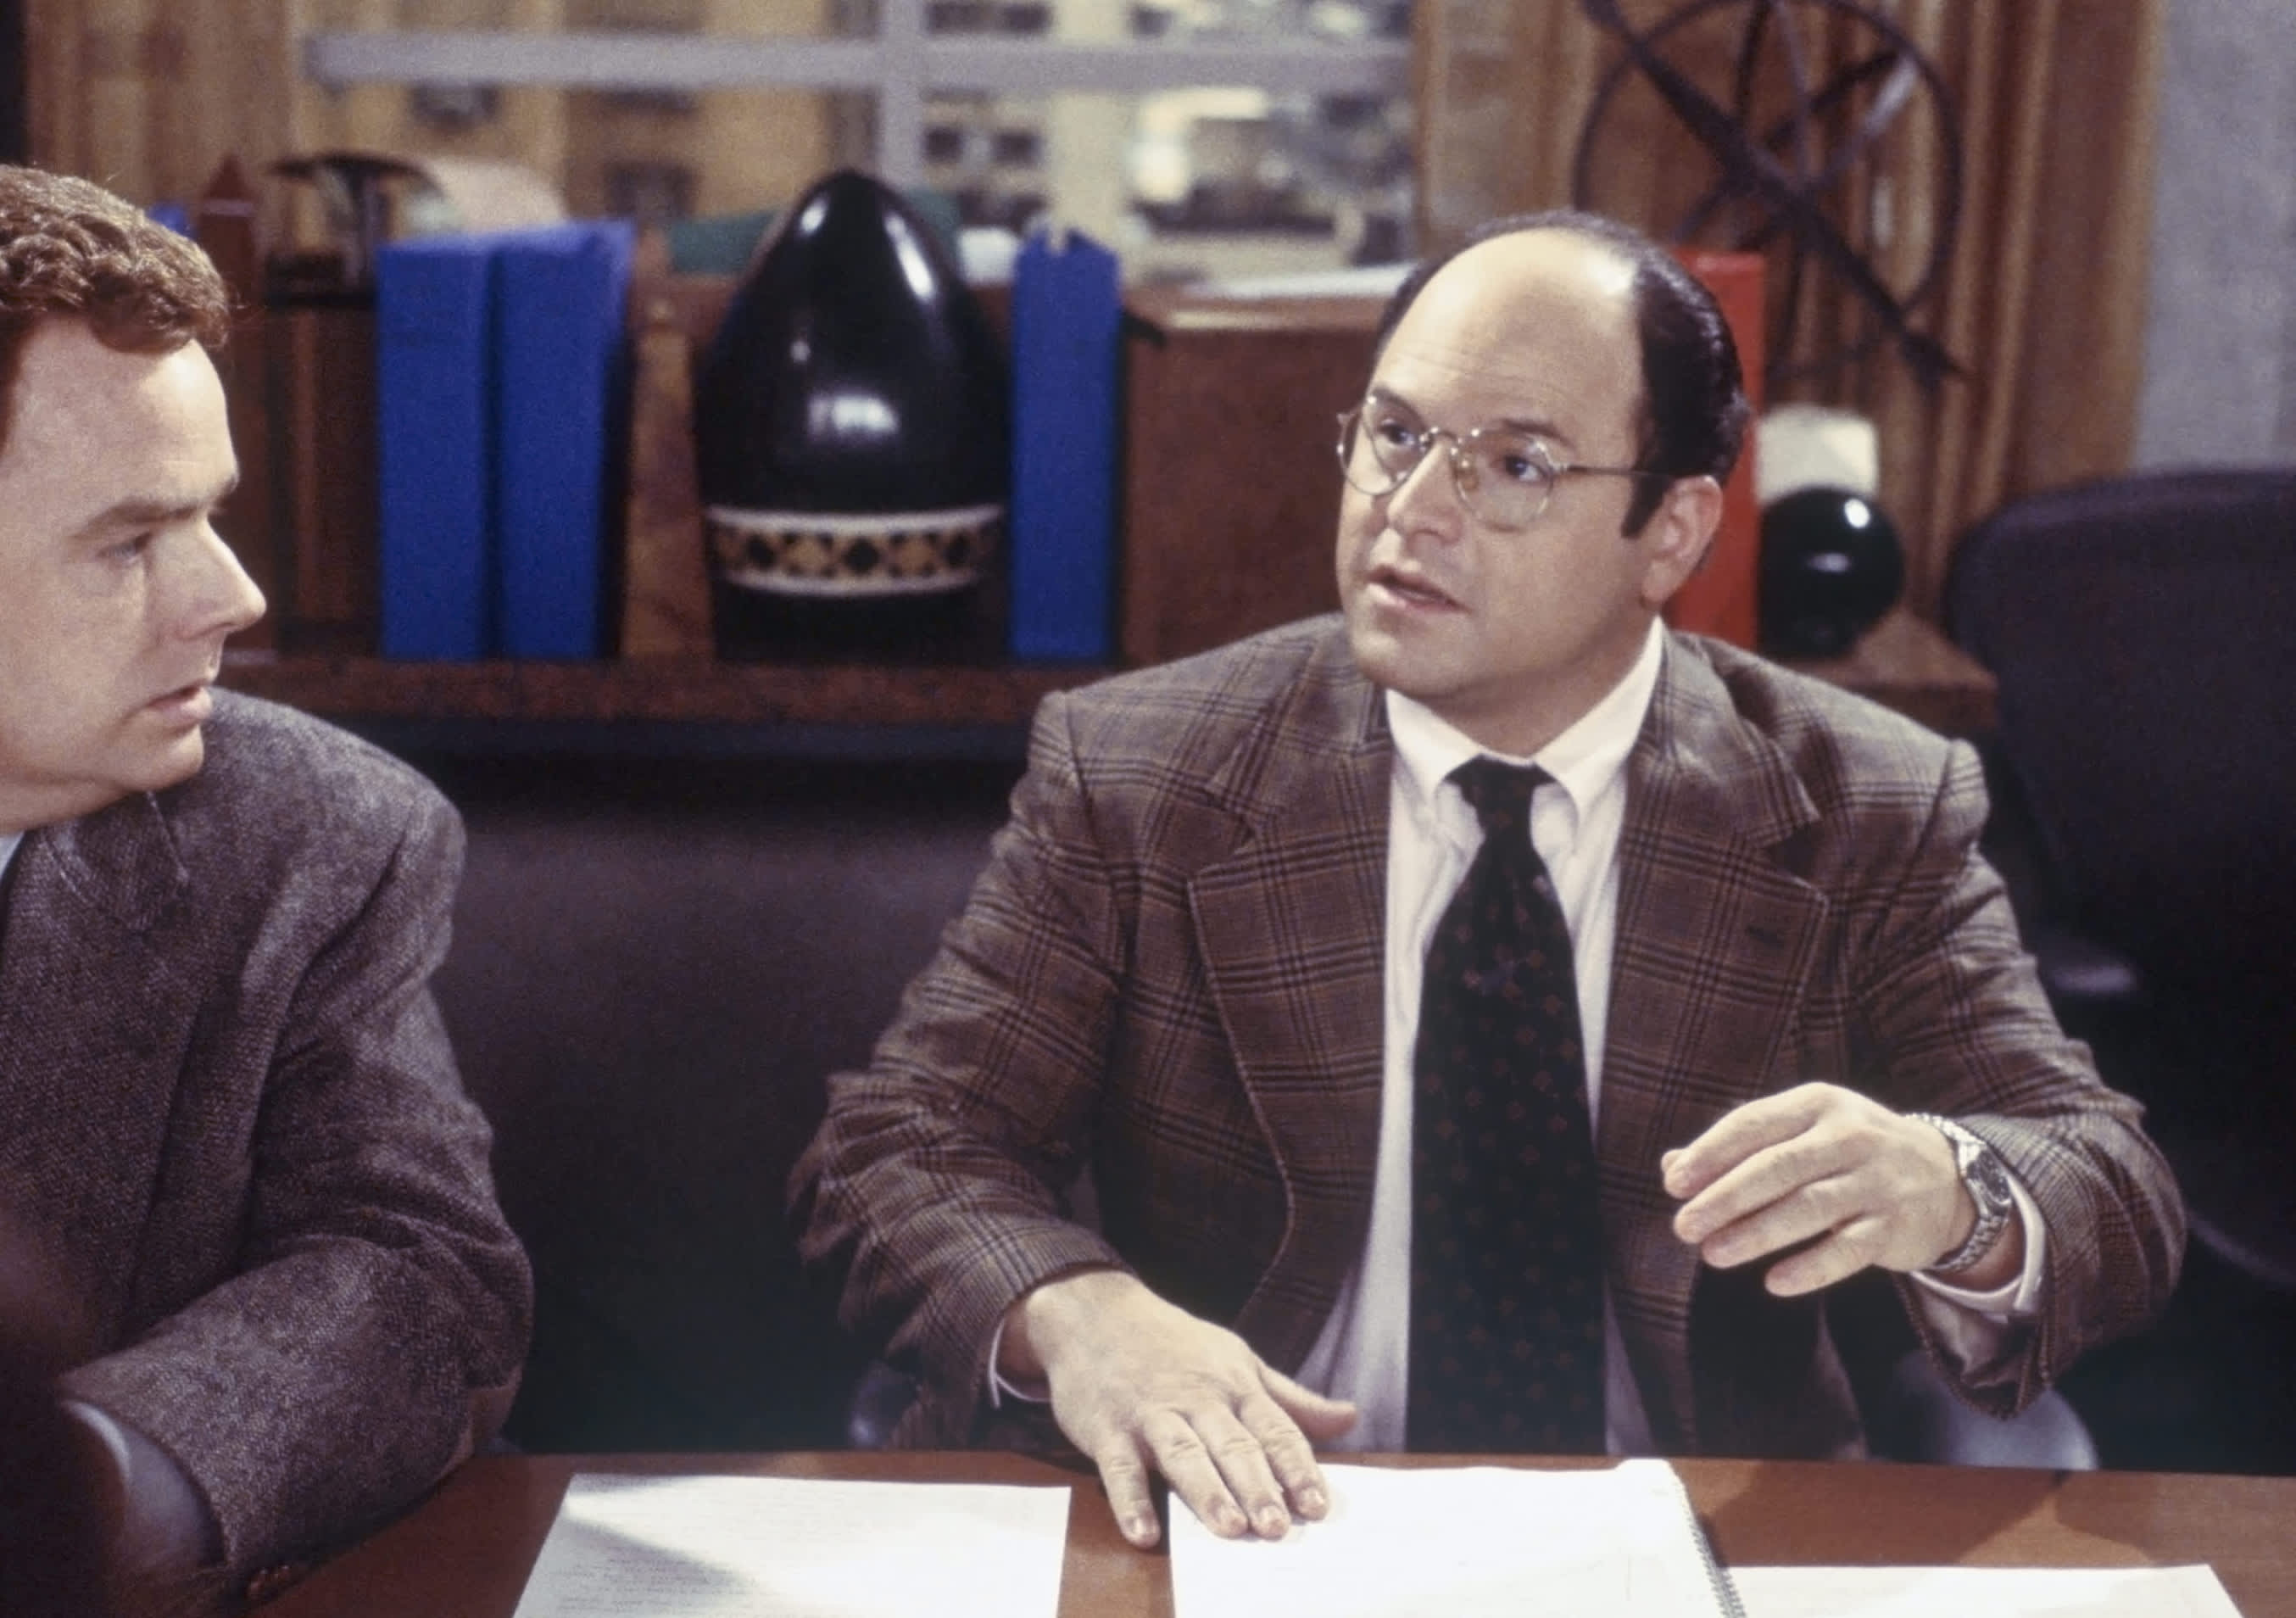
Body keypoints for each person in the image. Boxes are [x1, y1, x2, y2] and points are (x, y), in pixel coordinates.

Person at [791, 209, 2182, 1549]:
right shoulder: (1143, 773)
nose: (1412, 510)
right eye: (1396, 436)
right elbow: (896, 1147)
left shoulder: (1862, 804)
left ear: (1672, 531)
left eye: (1516, 465)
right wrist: (1077, 1311)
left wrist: (1951, 1187)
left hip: (1692, 1535)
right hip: (1257, 1531)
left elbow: (2112, 1190)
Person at [0, 165, 531, 1610]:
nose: (233, 599)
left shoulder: (309, 840)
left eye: (211, 516)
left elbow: (418, 1281)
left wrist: (77, 1490)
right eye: (129, 541)